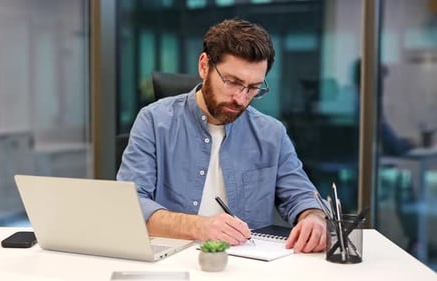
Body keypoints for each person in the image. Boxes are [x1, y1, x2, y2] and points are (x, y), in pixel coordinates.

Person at [117, 19, 327, 253]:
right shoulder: (154, 121)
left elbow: (302, 196)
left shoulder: (271, 134)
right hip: (172, 260)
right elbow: (131, 205)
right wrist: (199, 226)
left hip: (247, 265)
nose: (241, 98)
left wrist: (313, 218)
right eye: (233, 82)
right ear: (204, 66)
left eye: (253, 87)